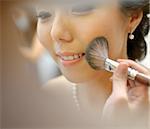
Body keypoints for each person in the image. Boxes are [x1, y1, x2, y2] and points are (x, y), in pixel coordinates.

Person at [36, 0, 150, 128]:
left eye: (80, 9)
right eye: (43, 14)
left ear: (133, 17)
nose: (55, 33)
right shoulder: (47, 101)